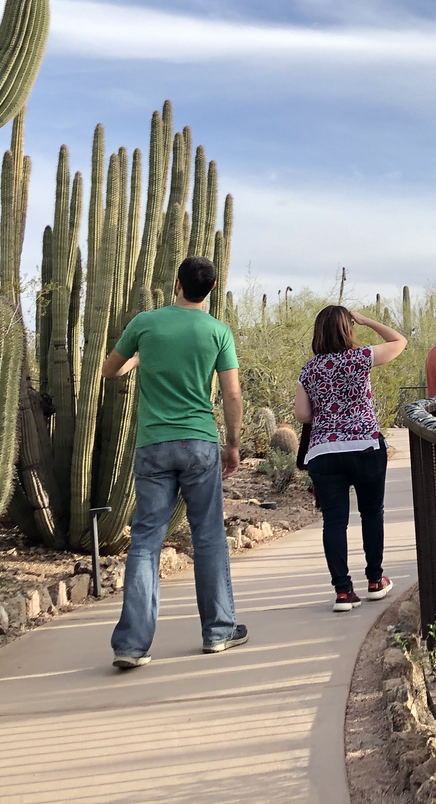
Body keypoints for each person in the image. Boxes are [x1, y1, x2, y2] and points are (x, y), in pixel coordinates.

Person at [101, 255, 246, 669]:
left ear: (176, 283)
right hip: (200, 443)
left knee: (146, 540)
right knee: (208, 536)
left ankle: (131, 644)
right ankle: (218, 632)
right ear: (212, 290)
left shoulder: (146, 324)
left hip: (153, 445)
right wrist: (232, 444)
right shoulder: (218, 331)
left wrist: (140, 358)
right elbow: (232, 395)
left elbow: (110, 370)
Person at [295, 305, 407, 611]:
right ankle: (374, 580)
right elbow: (400, 342)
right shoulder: (360, 358)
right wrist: (366, 319)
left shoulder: (309, 369)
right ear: (349, 329)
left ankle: (343, 592)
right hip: (365, 448)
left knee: (334, 521)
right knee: (372, 513)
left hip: (323, 453)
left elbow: (302, 414)